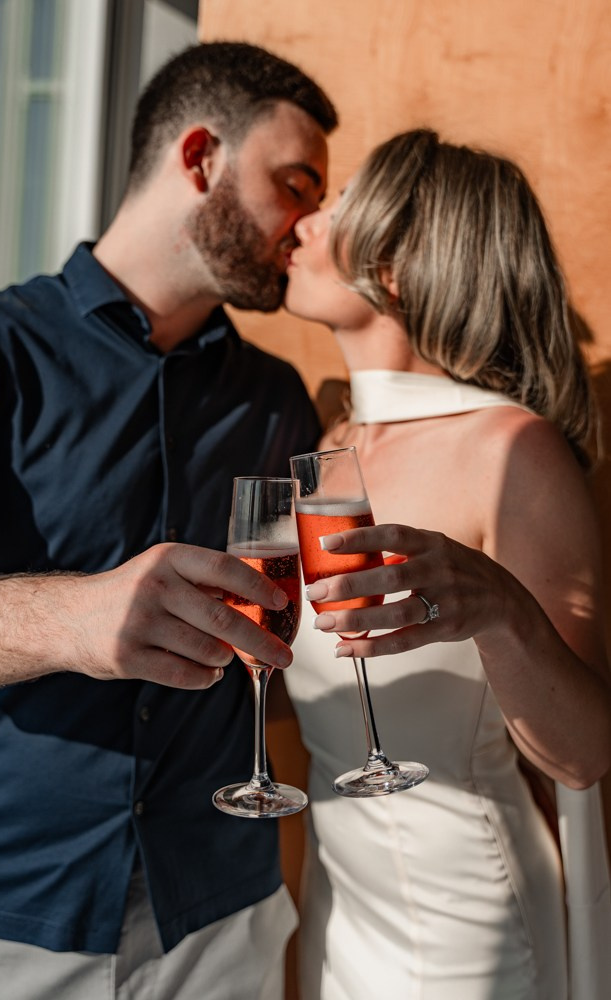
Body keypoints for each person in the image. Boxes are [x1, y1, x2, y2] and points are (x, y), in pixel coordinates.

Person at [0, 42, 338, 1000]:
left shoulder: (277, 398)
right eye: (293, 185)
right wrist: (72, 620)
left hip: (225, 916)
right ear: (199, 157)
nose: (308, 225)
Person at [282, 129, 611, 999]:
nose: (306, 222)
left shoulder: (513, 452)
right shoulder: (336, 446)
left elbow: (581, 756)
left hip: (467, 935)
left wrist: (501, 611)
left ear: (390, 267)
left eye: (338, 207)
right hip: (338, 913)